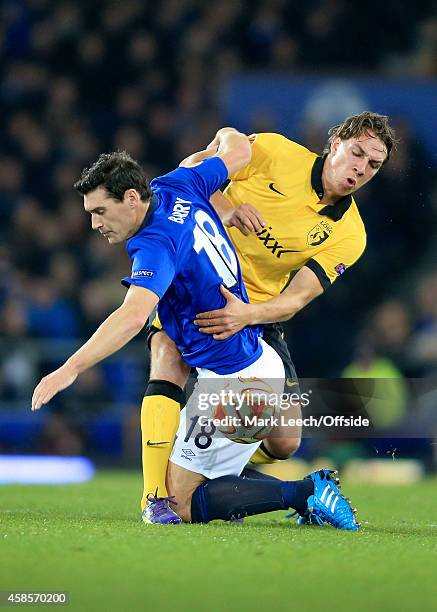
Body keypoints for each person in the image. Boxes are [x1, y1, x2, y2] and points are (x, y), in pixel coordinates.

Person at [145, 111, 397, 516]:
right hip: (197, 280)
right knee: (167, 358)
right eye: (356, 154)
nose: (361, 169)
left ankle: (206, 470)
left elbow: (296, 298)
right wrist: (224, 207)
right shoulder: (274, 151)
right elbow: (189, 169)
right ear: (334, 145)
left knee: (285, 442)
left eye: (373, 165)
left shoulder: (351, 234)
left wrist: (248, 314)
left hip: (255, 312)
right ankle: (155, 495)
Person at [31, 130, 287, 523]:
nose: (95, 225)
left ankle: (306, 492)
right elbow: (240, 148)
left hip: (238, 384)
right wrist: (221, 140)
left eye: (100, 212)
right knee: (183, 480)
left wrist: (70, 369)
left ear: (131, 199)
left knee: (181, 502)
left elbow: (133, 316)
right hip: (251, 361)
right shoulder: (178, 183)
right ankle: (176, 491)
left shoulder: (155, 244)